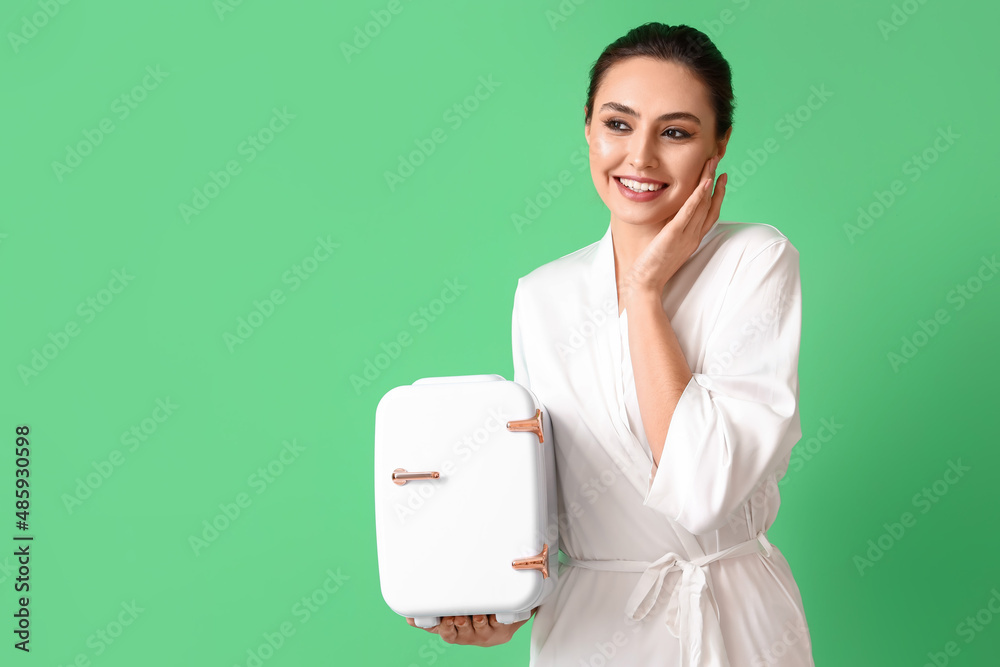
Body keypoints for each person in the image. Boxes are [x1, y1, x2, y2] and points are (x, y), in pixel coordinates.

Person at [407, 22, 815, 666]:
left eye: (675, 132)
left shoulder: (754, 261)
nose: (641, 158)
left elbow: (705, 490)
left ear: (719, 146)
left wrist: (646, 293)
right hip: (589, 632)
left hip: (728, 621)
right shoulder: (544, 296)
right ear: (589, 130)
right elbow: (543, 491)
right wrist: (508, 603)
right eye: (618, 124)